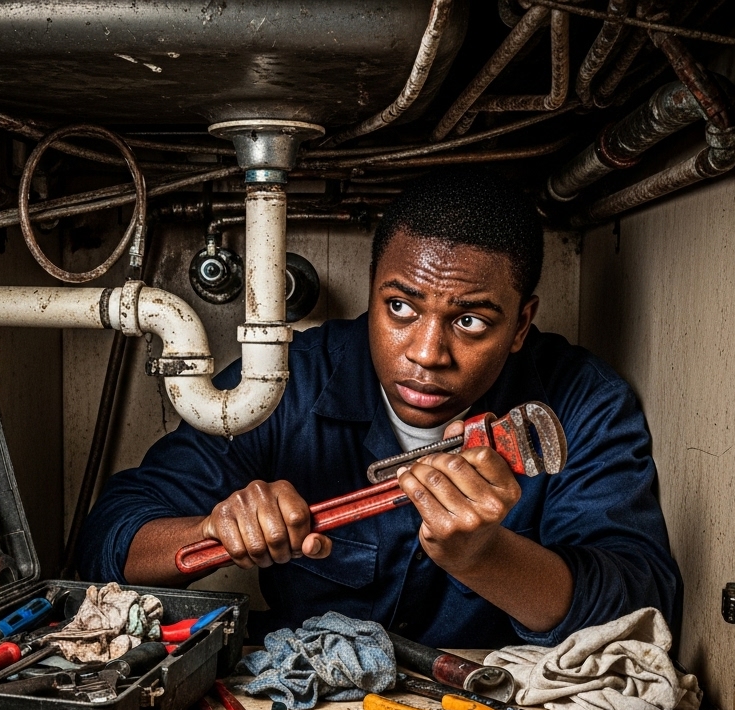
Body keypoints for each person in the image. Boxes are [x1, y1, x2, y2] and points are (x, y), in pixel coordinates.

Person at [79, 167, 681, 648]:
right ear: (371, 290)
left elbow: (642, 607)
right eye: (400, 308)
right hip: (304, 705)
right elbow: (110, 540)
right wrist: (214, 530)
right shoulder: (288, 383)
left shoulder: (581, 403)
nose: (427, 353)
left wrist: (486, 557)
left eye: (470, 320)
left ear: (521, 325)